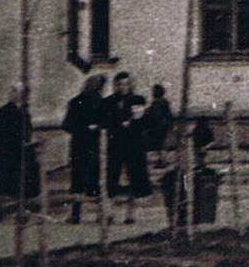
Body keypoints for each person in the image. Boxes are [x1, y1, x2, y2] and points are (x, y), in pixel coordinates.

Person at [0, 85, 38, 216]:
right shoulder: (15, 112)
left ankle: (11, 210)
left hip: (10, 153)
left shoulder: (14, 111)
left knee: (11, 184)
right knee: (16, 183)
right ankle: (14, 209)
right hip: (14, 153)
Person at [103, 71, 151, 219]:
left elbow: (143, 121)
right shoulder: (109, 101)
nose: (123, 87)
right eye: (120, 84)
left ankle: (131, 213)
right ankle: (109, 212)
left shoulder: (137, 100)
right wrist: (119, 124)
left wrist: (133, 122)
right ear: (115, 86)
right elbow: (105, 120)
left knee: (134, 177)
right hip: (115, 144)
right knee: (112, 177)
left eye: (126, 84)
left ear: (131, 85)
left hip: (134, 144)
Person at [62, 73, 107, 223]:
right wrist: (92, 128)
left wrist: (81, 128)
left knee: (78, 180)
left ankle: (76, 214)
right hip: (93, 146)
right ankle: (100, 215)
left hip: (78, 146)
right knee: (95, 179)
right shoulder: (100, 103)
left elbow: (67, 125)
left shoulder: (74, 102)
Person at [143, 84, 177, 162]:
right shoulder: (164, 102)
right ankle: (162, 159)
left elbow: (154, 114)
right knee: (162, 144)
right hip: (162, 126)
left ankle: (161, 160)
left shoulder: (156, 103)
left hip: (157, 126)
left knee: (160, 144)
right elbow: (169, 114)